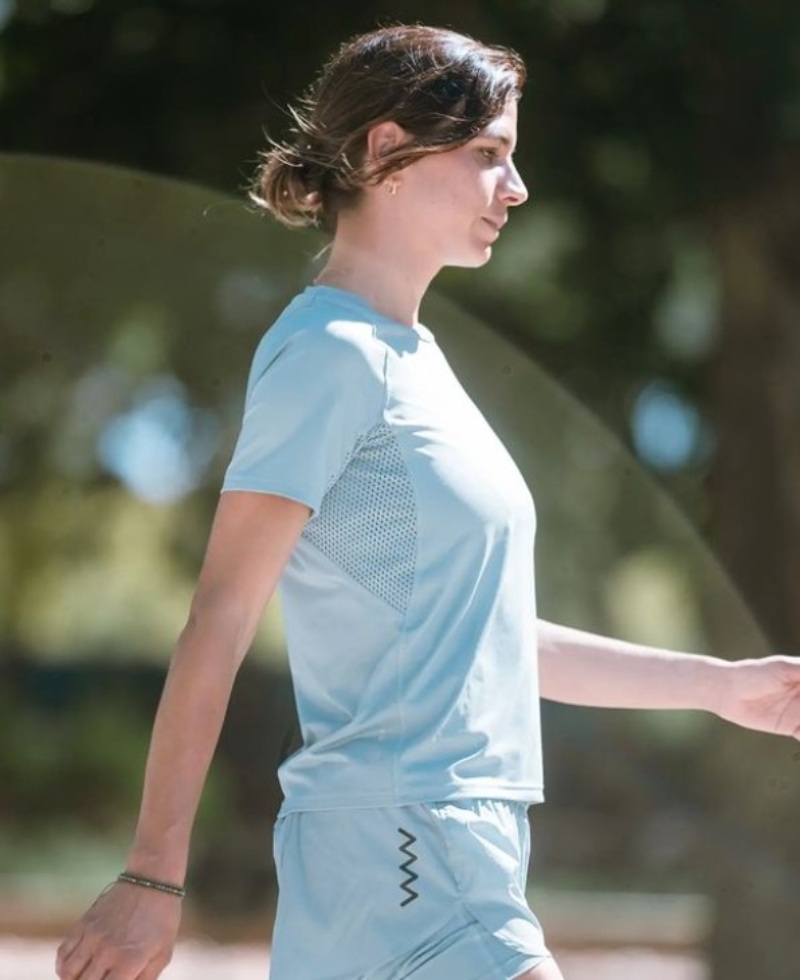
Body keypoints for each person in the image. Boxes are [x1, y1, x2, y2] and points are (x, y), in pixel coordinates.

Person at [56, 23, 800, 980]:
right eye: (489, 154)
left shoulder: (411, 360)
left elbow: (480, 634)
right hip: (412, 842)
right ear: (386, 150)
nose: (517, 187)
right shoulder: (331, 354)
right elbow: (222, 613)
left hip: (423, 842)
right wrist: (153, 876)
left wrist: (720, 685)